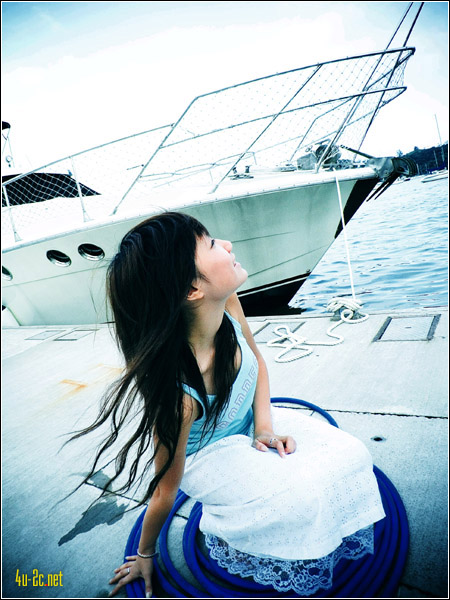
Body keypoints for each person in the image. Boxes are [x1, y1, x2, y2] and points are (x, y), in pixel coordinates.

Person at [70, 212, 385, 598]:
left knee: (353, 454)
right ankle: (231, 524)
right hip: (211, 459)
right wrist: (145, 554)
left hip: (249, 423)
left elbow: (258, 362)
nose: (228, 245)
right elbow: (165, 491)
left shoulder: (227, 302)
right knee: (305, 500)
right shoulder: (179, 399)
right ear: (192, 289)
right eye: (211, 244)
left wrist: (264, 427)